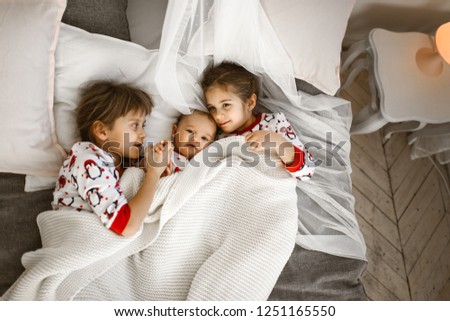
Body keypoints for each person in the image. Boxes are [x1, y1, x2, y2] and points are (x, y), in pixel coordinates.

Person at [52, 80, 173, 237]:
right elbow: (127, 226)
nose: (144, 134)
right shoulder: (87, 161)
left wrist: (151, 168)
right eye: (134, 125)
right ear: (102, 131)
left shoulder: (121, 164)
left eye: (143, 126)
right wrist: (153, 173)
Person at [201, 62, 314, 180]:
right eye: (212, 108)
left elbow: (307, 172)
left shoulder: (274, 123)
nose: (218, 116)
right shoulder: (219, 137)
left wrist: (276, 142)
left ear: (250, 103)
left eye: (226, 105)